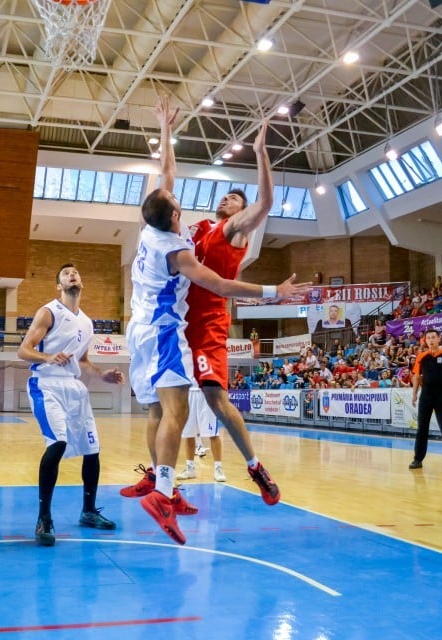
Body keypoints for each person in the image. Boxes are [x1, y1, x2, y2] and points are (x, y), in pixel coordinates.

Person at [124, 116, 309, 543]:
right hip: (169, 325)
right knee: (168, 411)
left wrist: (262, 155)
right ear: (173, 213)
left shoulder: (229, 230)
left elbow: (262, 206)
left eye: (234, 197)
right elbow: (166, 176)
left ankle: (252, 466)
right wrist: (166, 136)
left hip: (201, 322)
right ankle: (161, 485)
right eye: (225, 195)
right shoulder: (186, 232)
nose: (227, 198)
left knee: (206, 399)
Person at [17, 263, 126, 546]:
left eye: (75, 272)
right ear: (59, 286)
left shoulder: (87, 322)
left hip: (75, 389)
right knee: (58, 444)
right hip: (46, 383)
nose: (71, 275)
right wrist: (49, 357)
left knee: (93, 449)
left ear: (82, 282)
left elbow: (83, 360)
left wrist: (102, 374)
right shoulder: (49, 311)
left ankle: (88, 511)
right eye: (65, 273)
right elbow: (24, 350)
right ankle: (44, 518)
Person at [409, 328, 442, 471]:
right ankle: (417, 459)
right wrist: (414, 394)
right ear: (425, 340)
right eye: (428, 338)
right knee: (422, 428)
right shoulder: (421, 356)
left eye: (434, 337)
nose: (431, 340)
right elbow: (416, 376)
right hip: (426, 395)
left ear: (439, 339)